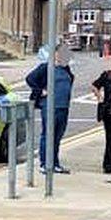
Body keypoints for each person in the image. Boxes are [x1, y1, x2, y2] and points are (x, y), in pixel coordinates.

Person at [25, 44, 74, 174]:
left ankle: (55, 163)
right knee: (47, 135)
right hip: (49, 106)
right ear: (55, 54)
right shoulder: (46, 67)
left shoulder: (66, 69)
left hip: (63, 107)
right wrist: (40, 91)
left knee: (57, 137)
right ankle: (44, 164)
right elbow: (30, 79)